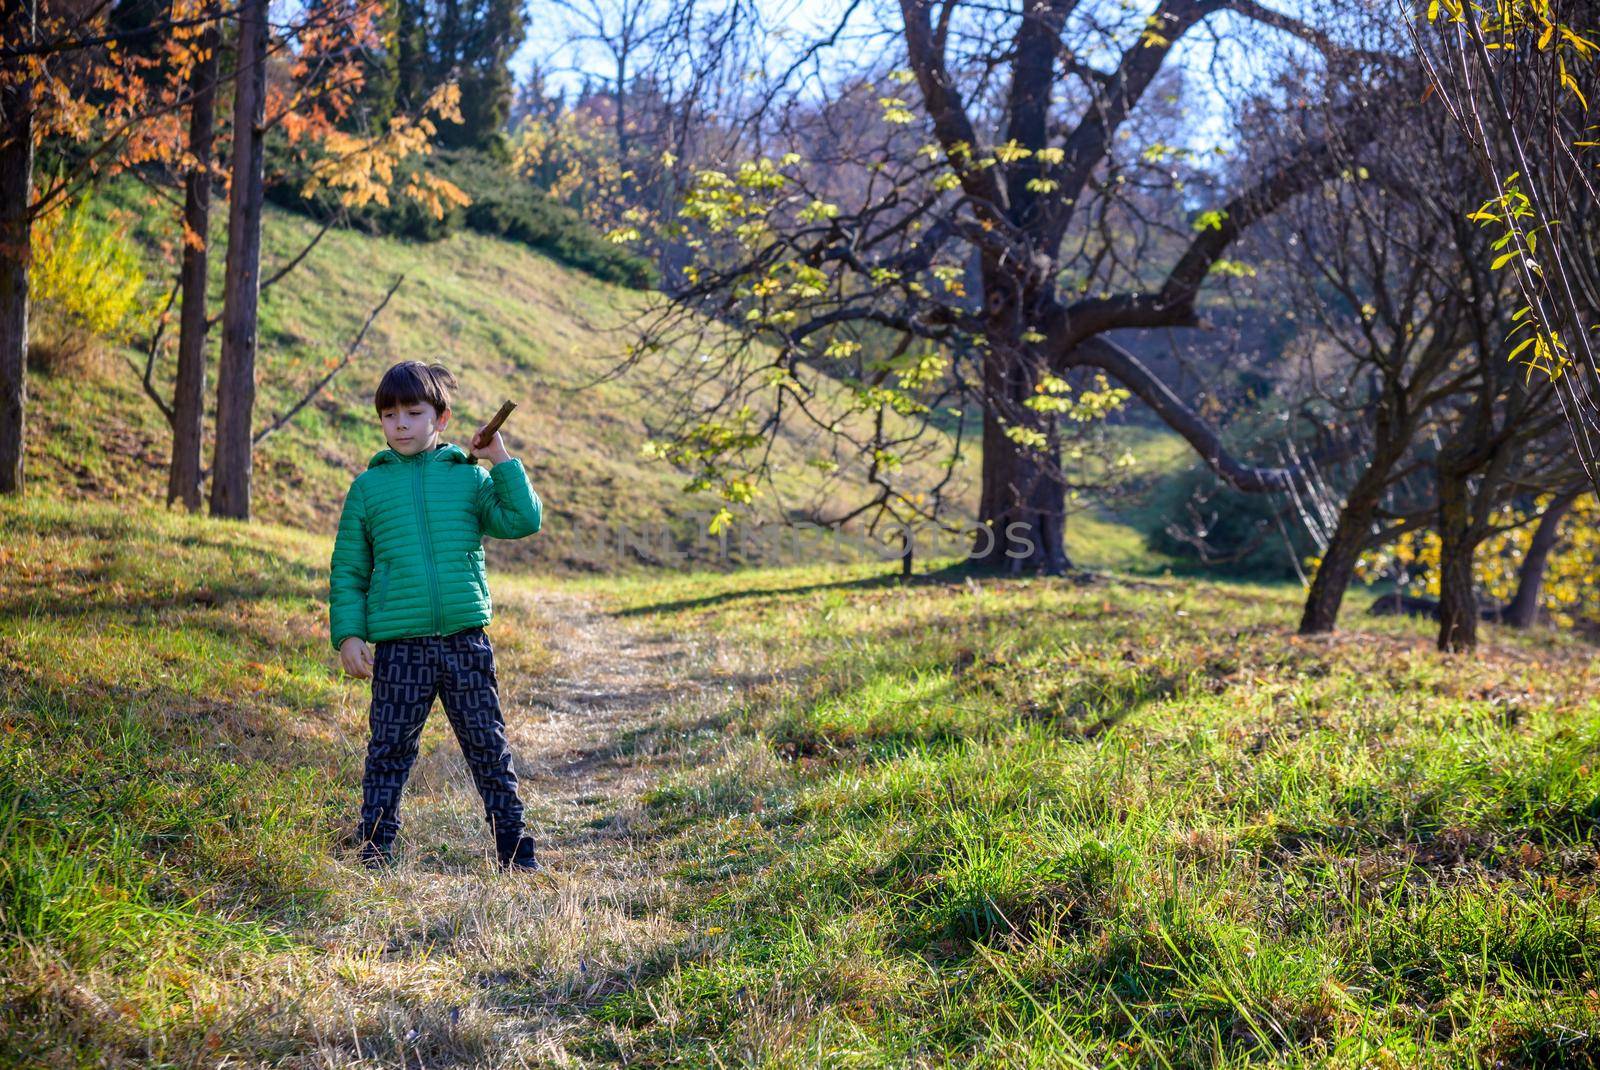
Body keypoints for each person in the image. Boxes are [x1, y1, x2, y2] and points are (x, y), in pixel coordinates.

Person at [327, 360, 544, 871]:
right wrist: (350, 634)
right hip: (400, 647)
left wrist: (500, 460)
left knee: (489, 750)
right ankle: (377, 848)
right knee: (389, 749)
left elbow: (523, 519)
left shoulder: (467, 478)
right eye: (388, 414)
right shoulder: (368, 489)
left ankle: (516, 854)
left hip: (465, 641)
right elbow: (349, 569)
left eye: (412, 412)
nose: (399, 424)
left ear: (440, 418)